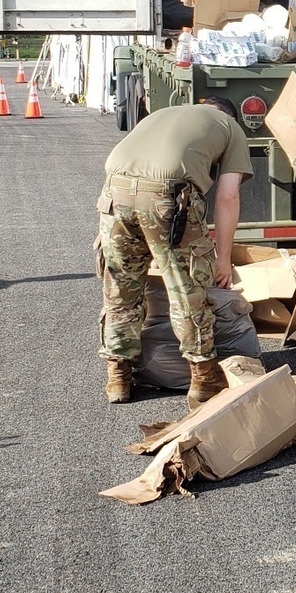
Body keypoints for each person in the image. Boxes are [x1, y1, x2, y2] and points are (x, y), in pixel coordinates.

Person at [97, 97, 253, 407]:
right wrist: (223, 258)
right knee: (187, 290)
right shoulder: (230, 127)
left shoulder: (164, 113)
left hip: (113, 193)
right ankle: (204, 377)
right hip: (165, 196)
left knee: (120, 288)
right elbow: (227, 197)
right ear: (229, 115)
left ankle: (118, 377)